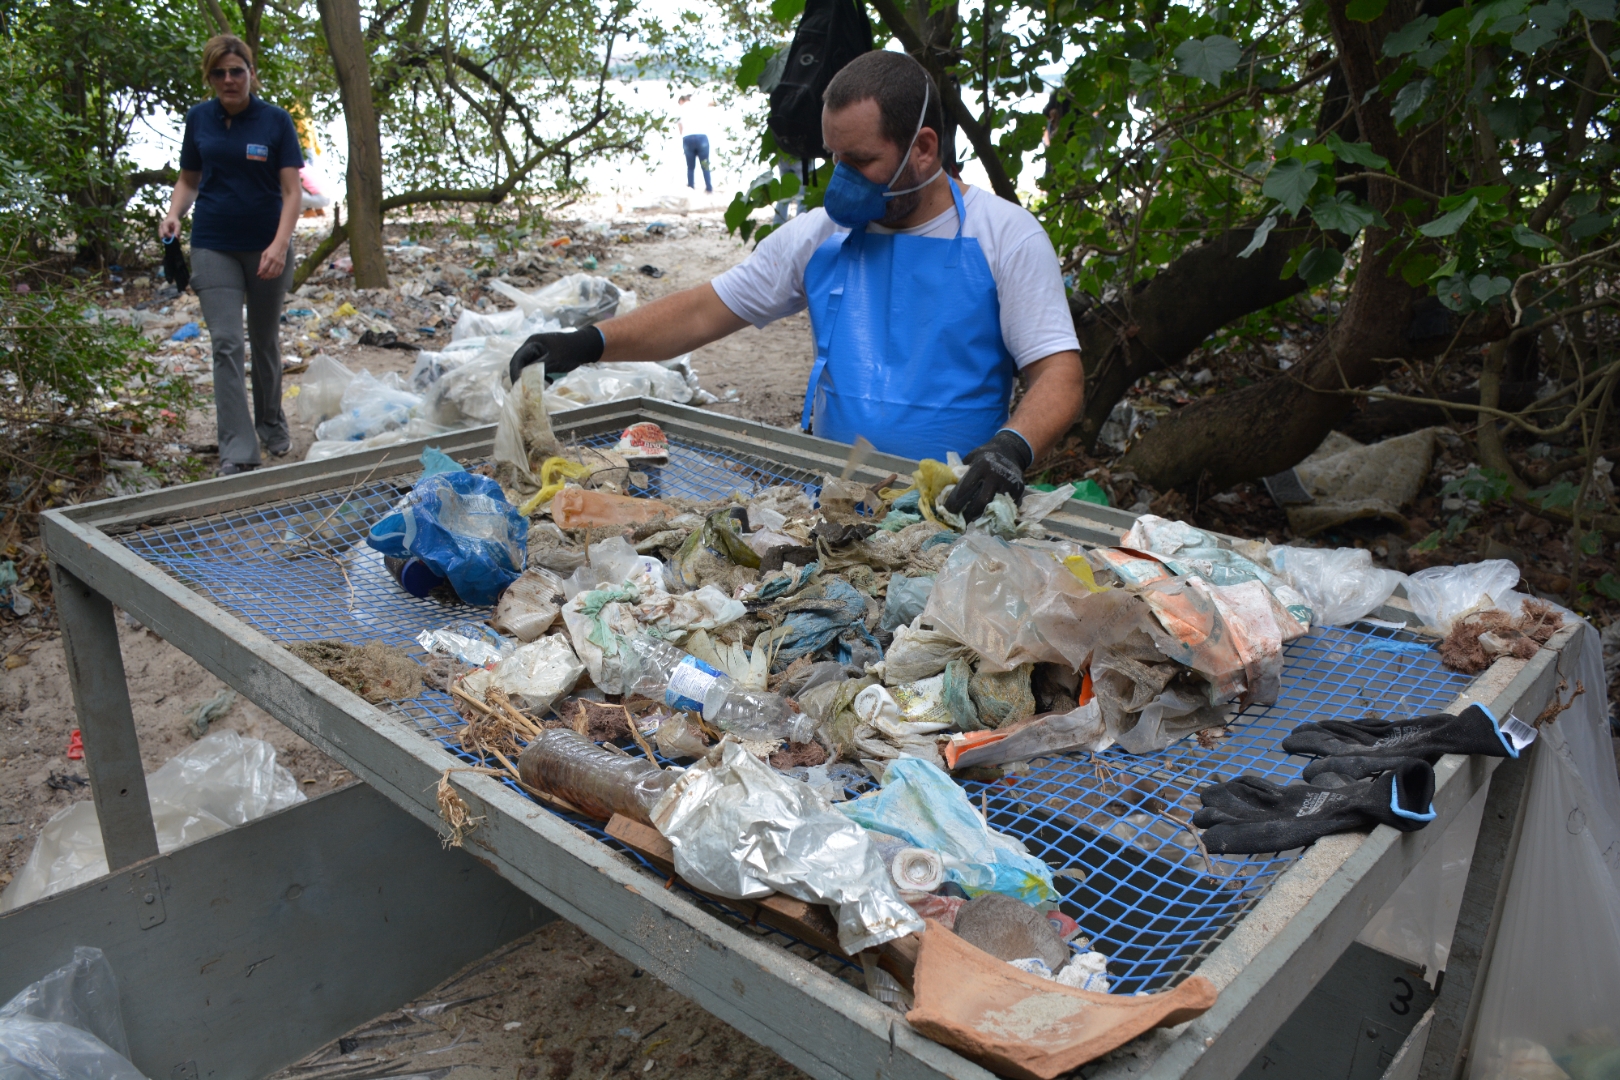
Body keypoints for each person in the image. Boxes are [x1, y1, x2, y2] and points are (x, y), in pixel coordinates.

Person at [512, 51, 1084, 523]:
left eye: (860, 162)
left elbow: (1058, 373)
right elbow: (703, 312)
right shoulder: (820, 235)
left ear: (924, 148)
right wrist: (588, 342)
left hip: (961, 509)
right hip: (838, 506)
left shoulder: (1005, 236)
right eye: (834, 159)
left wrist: (1012, 448)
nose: (842, 182)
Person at [161, 34, 303, 476]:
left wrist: (279, 246)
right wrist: (172, 214)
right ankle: (238, 450)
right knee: (226, 342)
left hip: (267, 246)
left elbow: (292, 191)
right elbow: (189, 179)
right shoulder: (199, 119)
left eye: (236, 71)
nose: (228, 80)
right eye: (219, 73)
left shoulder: (275, 121)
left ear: (250, 73)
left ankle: (271, 423)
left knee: (263, 342)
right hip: (212, 244)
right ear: (210, 77)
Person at [676, 93, 714, 194]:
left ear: (681, 100)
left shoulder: (681, 108)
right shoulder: (698, 104)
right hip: (702, 136)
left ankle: (691, 188)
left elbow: (680, 125)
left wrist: (682, 137)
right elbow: (712, 102)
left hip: (687, 137)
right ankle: (709, 188)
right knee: (705, 165)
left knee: (690, 167)